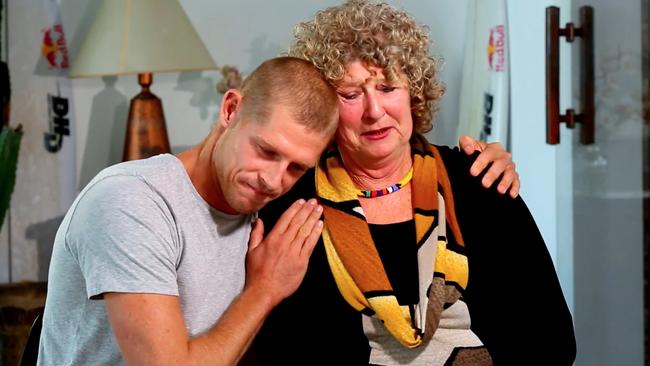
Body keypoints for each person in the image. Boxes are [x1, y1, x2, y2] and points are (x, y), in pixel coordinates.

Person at [37, 55, 517, 365]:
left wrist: (481, 165)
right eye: (265, 151)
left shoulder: (270, 207)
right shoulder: (132, 202)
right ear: (230, 111)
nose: (272, 179)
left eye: (294, 167)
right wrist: (263, 289)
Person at [254, 1, 576, 365]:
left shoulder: (480, 180)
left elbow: (553, 341)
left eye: (388, 86)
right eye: (351, 94)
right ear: (323, 106)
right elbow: (276, 350)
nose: (375, 111)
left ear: (414, 93)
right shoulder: (292, 208)